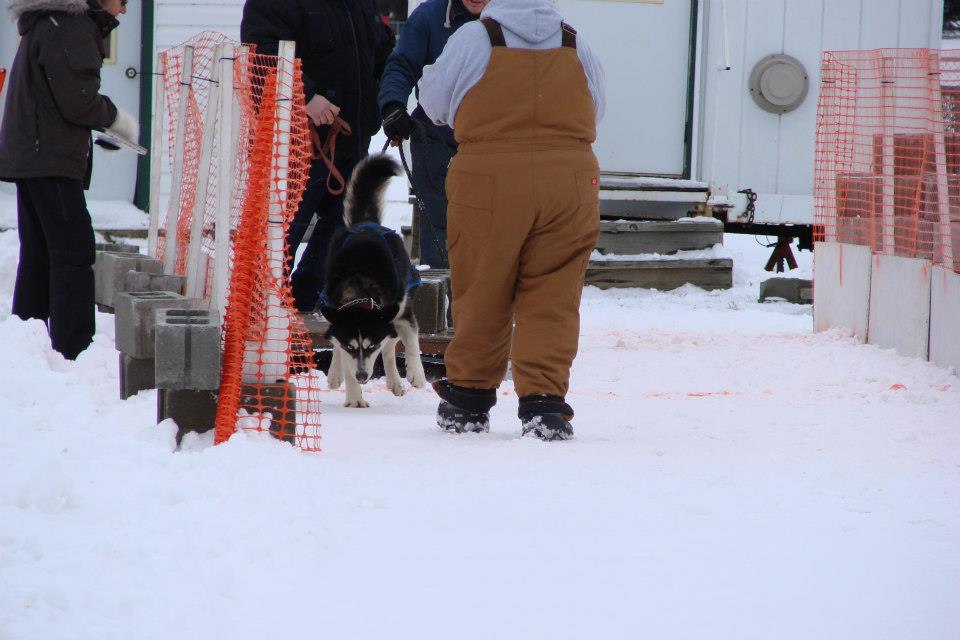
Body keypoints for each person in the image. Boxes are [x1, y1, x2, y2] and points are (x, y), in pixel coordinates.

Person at [419, 0, 606, 441]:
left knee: (483, 285)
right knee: (556, 294)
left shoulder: (473, 39)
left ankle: (467, 397)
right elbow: (595, 109)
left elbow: (432, 101)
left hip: (489, 178)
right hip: (570, 180)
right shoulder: (576, 42)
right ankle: (544, 404)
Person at [0, 0, 137, 361]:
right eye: (123, 1)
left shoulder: (52, 23)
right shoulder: (70, 26)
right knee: (73, 250)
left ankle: (29, 334)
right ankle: (75, 348)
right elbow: (78, 101)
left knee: (42, 249)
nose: (123, 10)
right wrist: (117, 120)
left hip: (35, 153)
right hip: (49, 157)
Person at [241, 0, 395, 311]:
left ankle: (303, 298)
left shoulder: (361, 6)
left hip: (351, 135)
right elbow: (262, 53)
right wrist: (306, 96)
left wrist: (388, 101)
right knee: (284, 226)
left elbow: (382, 54)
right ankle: (264, 306)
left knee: (342, 223)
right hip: (294, 139)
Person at [377, 0, 489, 268]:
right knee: (441, 230)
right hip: (435, 141)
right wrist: (393, 105)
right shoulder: (429, 17)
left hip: (492, 145)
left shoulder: (510, 19)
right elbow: (402, 65)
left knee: (490, 232)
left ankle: (477, 308)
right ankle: (442, 302)